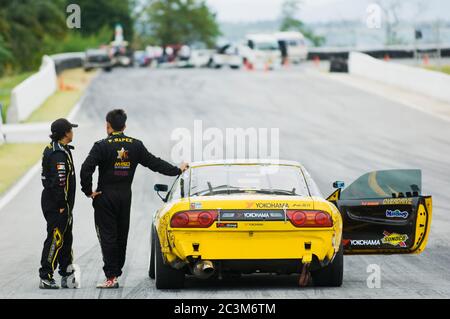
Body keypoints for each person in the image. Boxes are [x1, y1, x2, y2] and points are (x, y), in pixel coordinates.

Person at [80, 109, 188, 288]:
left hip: (105, 196)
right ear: (124, 125)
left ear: (108, 126)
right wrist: (177, 169)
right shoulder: (135, 145)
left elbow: (86, 168)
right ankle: (116, 272)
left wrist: (88, 191)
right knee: (122, 235)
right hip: (124, 196)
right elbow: (155, 163)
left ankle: (111, 276)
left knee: (108, 237)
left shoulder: (100, 145)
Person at [39, 118, 78, 289]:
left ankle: (67, 274)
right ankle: (45, 276)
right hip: (57, 204)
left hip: (62, 205)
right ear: (65, 133)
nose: (73, 132)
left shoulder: (60, 149)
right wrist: (62, 204)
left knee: (66, 238)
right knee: (56, 238)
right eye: (71, 129)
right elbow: (59, 181)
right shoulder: (58, 154)